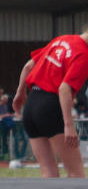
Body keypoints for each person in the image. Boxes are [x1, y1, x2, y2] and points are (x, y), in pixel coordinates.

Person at [12, 27, 88, 177]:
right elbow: (64, 89)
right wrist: (69, 125)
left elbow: (28, 66)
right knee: (76, 173)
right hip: (50, 107)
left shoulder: (61, 39)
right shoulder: (83, 55)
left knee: (48, 172)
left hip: (31, 104)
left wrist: (20, 93)